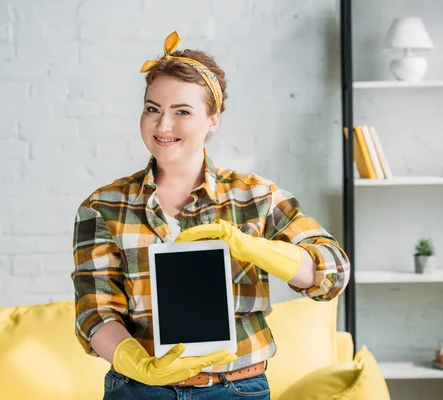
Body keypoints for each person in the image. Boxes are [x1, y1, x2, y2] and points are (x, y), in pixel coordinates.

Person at [72, 31, 350, 400]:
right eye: (152, 108)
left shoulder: (256, 197)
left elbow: (333, 273)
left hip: (237, 389)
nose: (162, 125)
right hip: (137, 390)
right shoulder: (103, 207)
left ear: (213, 118)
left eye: (182, 111)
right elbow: (96, 312)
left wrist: (251, 246)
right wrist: (140, 365)